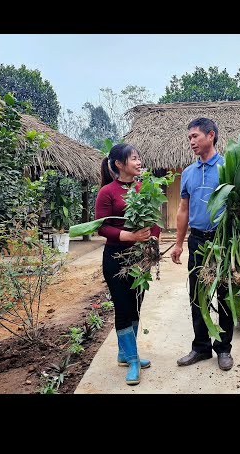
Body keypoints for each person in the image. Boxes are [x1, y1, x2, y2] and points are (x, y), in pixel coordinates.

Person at [171, 117, 234, 371]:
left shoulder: (229, 168)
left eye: (195, 136)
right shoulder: (187, 173)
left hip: (223, 240)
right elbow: (183, 209)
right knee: (197, 295)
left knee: (224, 296)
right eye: (189, 138)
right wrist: (178, 243)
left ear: (211, 135)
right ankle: (200, 348)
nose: (191, 142)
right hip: (197, 240)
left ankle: (224, 349)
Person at [95, 143, 160, 385]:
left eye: (139, 157)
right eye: (134, 158)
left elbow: (153, 220)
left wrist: (153, 240)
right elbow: (101, 227)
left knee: (135, 306)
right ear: (119, 164)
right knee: (123, 308)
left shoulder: (144, 188)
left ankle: (125, 353)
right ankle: (133, 360)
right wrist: (130, 236)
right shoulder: (107, 192)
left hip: (139, 259)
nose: (139, 161)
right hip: (116, 258)